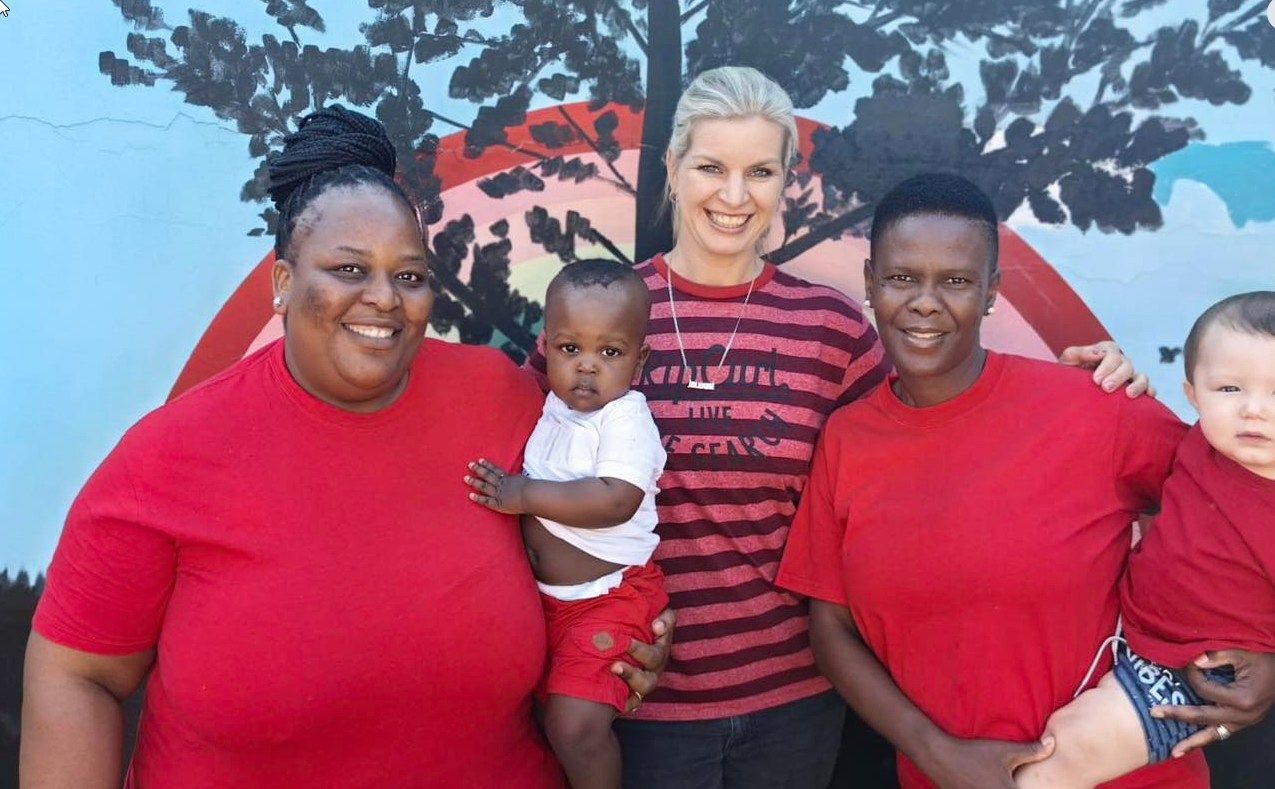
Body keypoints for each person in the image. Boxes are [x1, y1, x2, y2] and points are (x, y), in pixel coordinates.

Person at [526, 68, 1150, 788]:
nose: (734, 195)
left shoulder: (830, 329)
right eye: (710, 167)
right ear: (670, 168)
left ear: (786, 180)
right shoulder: (599, 315)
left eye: (760, 170)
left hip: (794, 702)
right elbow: (524, 472)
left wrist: (1100, 380)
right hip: (632, 693)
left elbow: (931, 429)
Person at [21, 106, 670, 788]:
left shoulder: (501, 398)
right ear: (282, 283)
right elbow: (78, 672)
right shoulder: (169, 456)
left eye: (409, 275)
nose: (383, 298)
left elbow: (592, 533)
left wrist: (613, 639)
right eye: (349, 268)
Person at [776, 172, 1275, 789]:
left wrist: (1264, 656)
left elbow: (1245, 511)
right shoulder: (847, 439)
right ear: (872, 284)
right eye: (902, 278)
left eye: (956, 281)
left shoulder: (1097, 406)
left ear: (991, 292)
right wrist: (936, 751)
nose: (925, 302)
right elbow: (831, 628)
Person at [1014, 291, 1275, 788]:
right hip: (1128, 633)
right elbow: (1120, 418)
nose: (1253, 410)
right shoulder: (1199, 443)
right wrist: (1104, 372)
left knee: (1059, 758)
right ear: (1193, 393)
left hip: (1201, 668)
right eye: (1229, 389)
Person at [464, 260, 669, 789]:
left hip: (608, 597)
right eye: (570, 348)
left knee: (574, 726)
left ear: (639, 360)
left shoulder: (625, 419)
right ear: (546, 345)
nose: (586, 367)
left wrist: (521, 494)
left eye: (610, 352)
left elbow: (616, 500)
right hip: (547, 604)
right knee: (539, 720)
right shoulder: (550, 409)